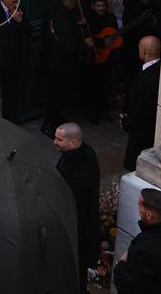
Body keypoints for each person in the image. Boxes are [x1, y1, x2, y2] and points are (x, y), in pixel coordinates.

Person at [112, 188, 161, 294]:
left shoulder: (144, 249)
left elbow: (127, 287)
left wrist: (121, 264)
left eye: (140, 206)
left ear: (149, 215)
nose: (138, 208)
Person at [54, 122, 101, 294]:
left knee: (76, 269)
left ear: (73, 142)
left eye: (59, 139)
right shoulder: (76, 153)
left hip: (78, 231)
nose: (54, 142)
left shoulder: (82, 167)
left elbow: (77, 205)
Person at [42, 0, 93, 137]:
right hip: (60, 63)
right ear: (70, 1)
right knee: (55, 94)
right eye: (74, 2)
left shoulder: (53, 11)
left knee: (55, 93)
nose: (75, 5)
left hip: (51, 60)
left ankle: (55, 118)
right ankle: (49, 124)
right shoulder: (64, 17)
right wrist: (85, 44)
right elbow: (69, 44)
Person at [121, 36, 161, 171]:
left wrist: (126, 122)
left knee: (136, 164)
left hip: (142, 131)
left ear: (145, 52)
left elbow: (142, 108)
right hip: (147, 127)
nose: (138, 50)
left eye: (139, 48)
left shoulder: (148, 78)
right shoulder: (159, 68)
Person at [85, 0, 120, 124]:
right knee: (93, 86)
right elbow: (85, 36)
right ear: (93, 6)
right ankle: (91, 113)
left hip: (108, 57)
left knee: (105, 85)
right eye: (98, 5)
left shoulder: (111, 18)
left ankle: (103, 111)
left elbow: (115, 34)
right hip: (94, 57)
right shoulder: (88, 19)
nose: (101, 8)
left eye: (103, 5)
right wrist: (101, 42)